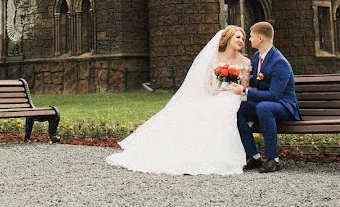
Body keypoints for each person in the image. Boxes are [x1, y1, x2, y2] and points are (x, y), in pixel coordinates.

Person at [106, 25, 251, 175]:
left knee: (222, 108)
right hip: (215, 95)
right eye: (238, 37)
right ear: (227, 39)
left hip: (233, 97)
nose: (241, 41)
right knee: (196, 109)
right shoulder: (214, 57)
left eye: (243, 38)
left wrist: (232, 90)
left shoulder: (245, 62)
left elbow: (244, 87)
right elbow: (207, 82)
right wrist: (216, 90)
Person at [235, 21, 301, 173]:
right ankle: (253, 155)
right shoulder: (258, 56)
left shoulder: (279, 62)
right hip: (266, 104)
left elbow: (275, 95)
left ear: (260, 39)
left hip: (285, 106)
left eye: (251, 36)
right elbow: (256, 80)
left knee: (263, 107)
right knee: (240, 109)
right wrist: (235, 78)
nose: (249, 39)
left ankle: (273, 159)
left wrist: (246, 91)